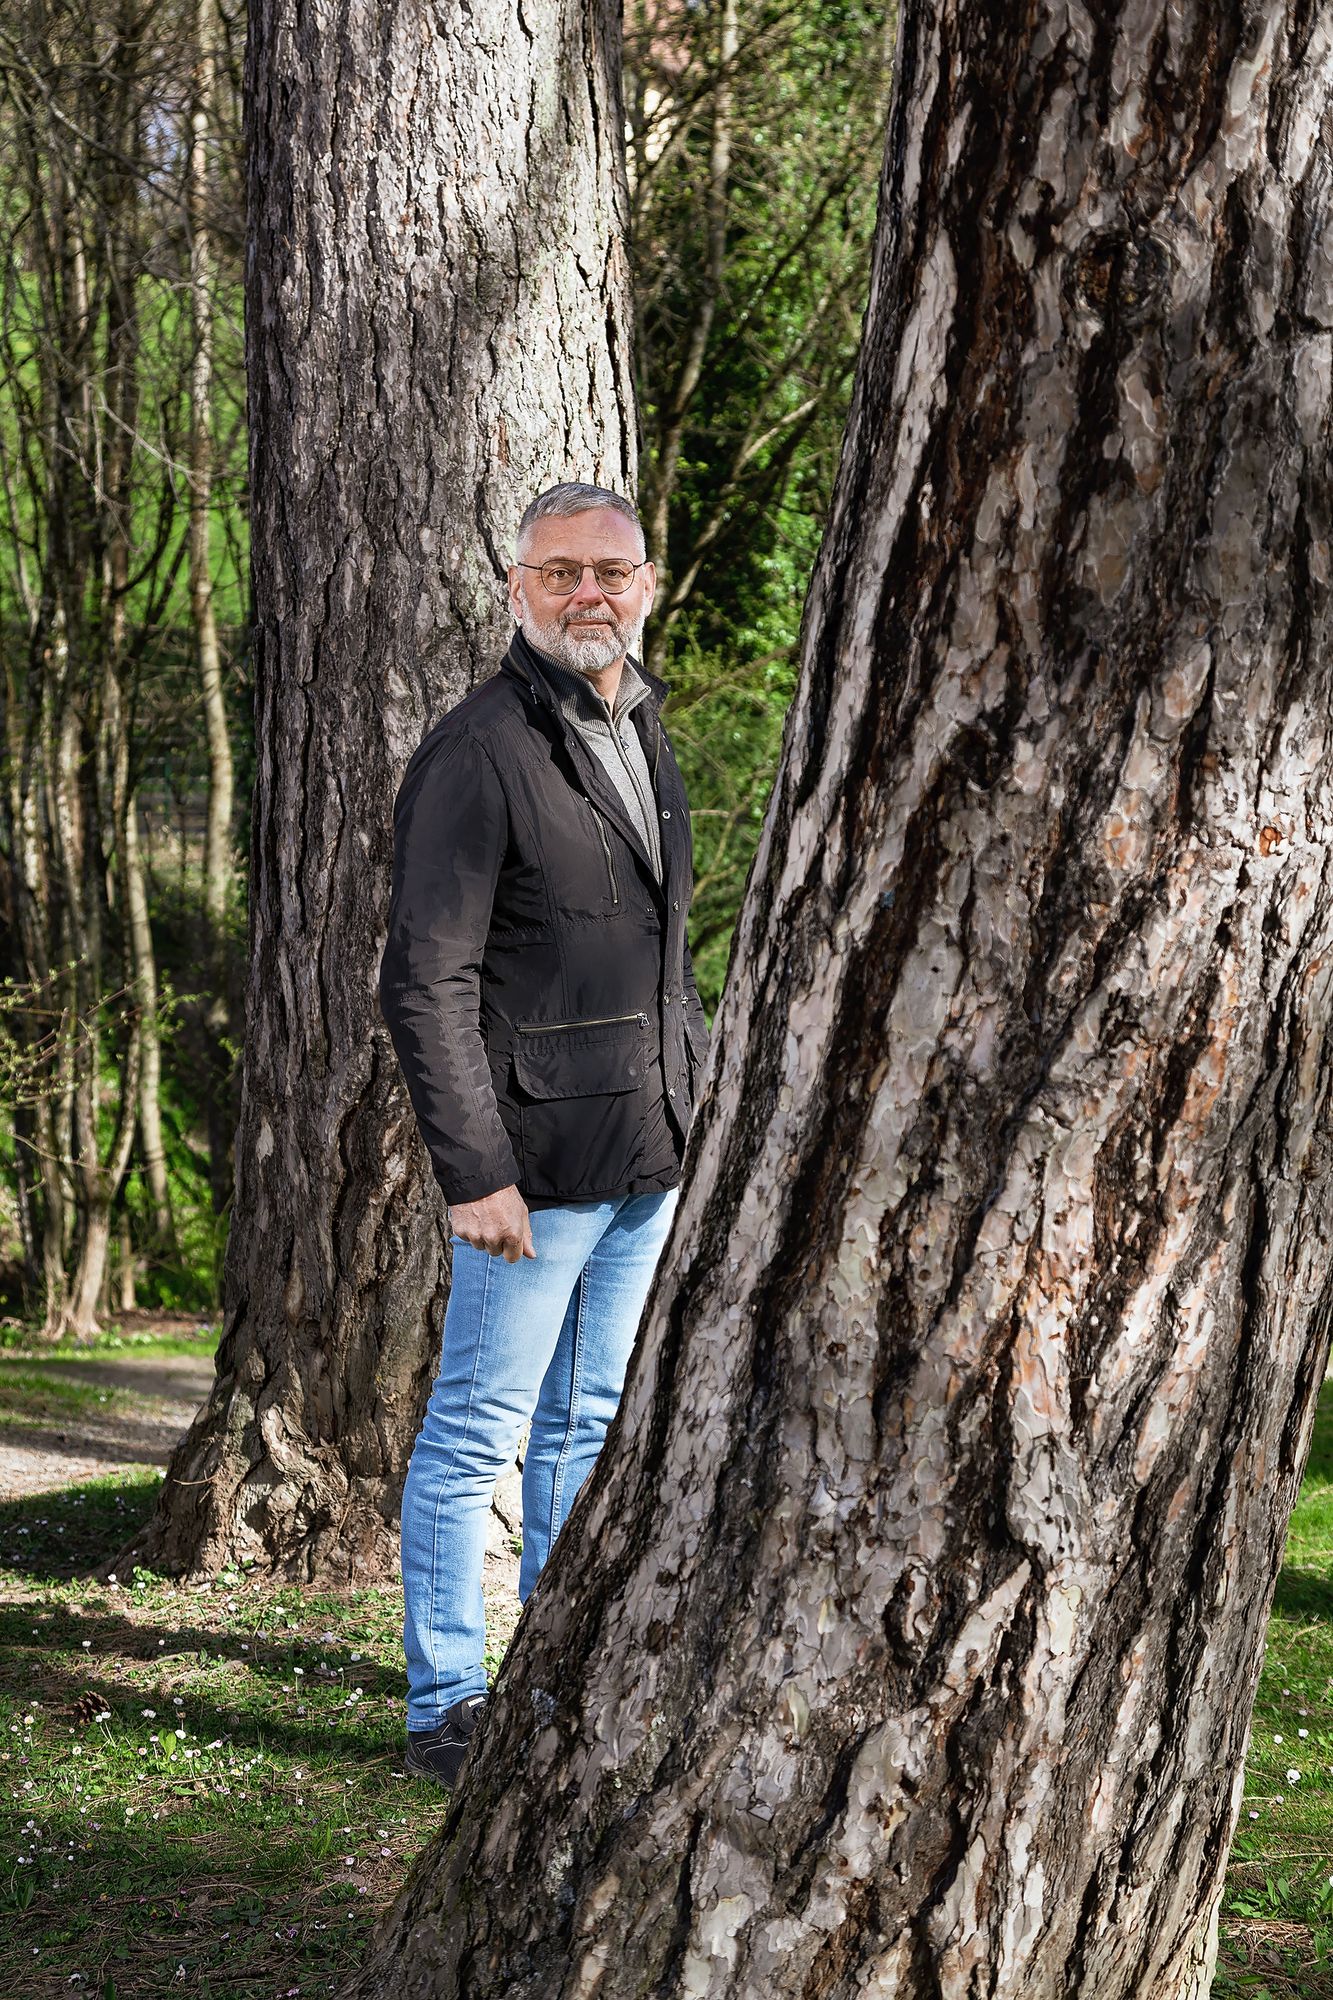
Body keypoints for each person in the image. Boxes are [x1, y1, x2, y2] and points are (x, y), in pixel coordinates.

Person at [378, 481, 710, 1786]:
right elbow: (426, 980)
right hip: (530, 1174)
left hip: (646, 1154)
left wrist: (693, 1107)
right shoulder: (478, 750)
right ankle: (444, 1705)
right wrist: (475, 1174)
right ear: (516, 587)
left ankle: (552, 1683)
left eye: (610, 572)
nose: (588, 594)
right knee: (477, 1433)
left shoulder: (641, 724)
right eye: (559, 572)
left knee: (587, 1423)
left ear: (646, 584)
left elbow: (663, 955)